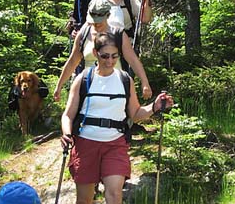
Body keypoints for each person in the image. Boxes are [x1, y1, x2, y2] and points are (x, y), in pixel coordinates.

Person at [60, 33, 173, 204]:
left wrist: (154, 107)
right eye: (105, 56)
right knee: (84, 200)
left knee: (114, 195)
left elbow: (135, 114)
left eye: (114, 56)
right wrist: (67, 133)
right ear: (96, 53)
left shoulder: (124, 79)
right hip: (85, 144)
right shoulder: (83, 78)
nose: (110, 61)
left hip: (115, 144)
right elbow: (68, 115)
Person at [54, 0, 153, 102]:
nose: (96, 24)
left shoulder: (118, 34)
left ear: (108, 15)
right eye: (93, 20)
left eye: (100, 21)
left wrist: (145, 82)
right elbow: (73, 61)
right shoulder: (84, 32)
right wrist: (59, 86)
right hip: (88, 88)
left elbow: (133, 60)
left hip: (114, 88)